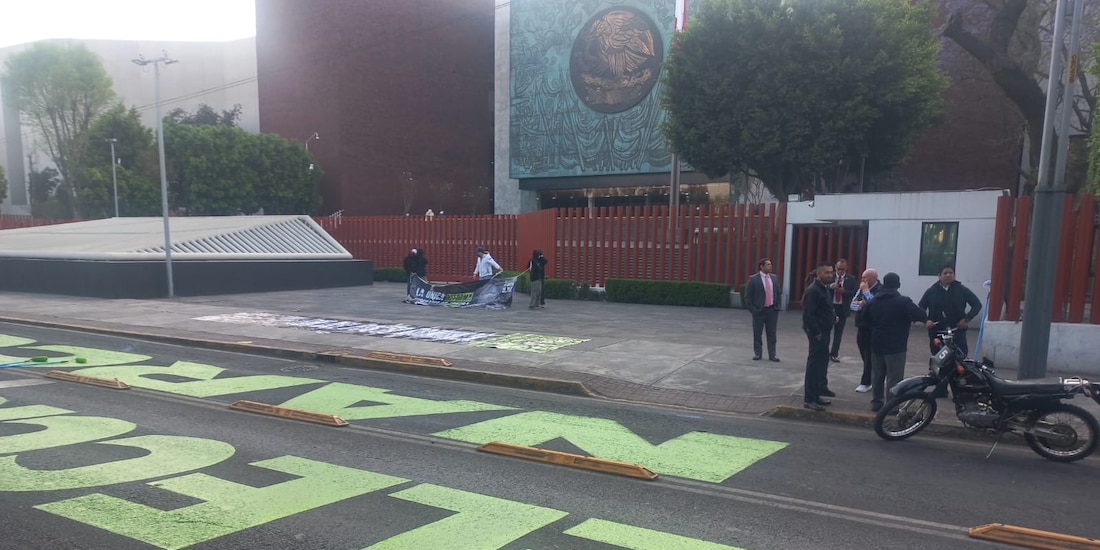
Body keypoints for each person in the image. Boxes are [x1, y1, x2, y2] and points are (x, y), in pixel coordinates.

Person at [863, 272, 928, 412]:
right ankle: (892, 406)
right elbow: (921, 314)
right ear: (898, 285)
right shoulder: (903, 302)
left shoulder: (872, 301)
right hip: (896, 345)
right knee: (894, 377)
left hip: (876, 343)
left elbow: (864, 320)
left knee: (877, 375)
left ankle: (876, 403)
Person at [917, 265, 983, 356]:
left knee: (960, 356)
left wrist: (966, 319)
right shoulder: (931, 291)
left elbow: (977, 305)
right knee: (938, 357)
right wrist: (925, 321)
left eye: (951, 273)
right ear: (939, 276)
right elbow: (920, 308)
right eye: (945, 273)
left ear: (954, 275)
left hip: (957, 331)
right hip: (937, 332)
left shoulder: (962, 290)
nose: (948, 275)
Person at [802, 263, 836, 411]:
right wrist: (817, 332)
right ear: (819, 274)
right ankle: (809, 399)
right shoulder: (813, 290)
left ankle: (816, 396)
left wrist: (832, 317)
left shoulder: (824, 288)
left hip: (825, 331)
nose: (830, 275)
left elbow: (825, 308)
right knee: (814, 366)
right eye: (826, 272)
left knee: (821, 365)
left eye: (831, 272)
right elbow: (808, 315)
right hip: (817, 333)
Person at [849, 268, 882, 393]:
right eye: (862, 277)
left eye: (865, 277)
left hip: (872, 327)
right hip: (861, 325)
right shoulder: (861, 289)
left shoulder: (879, 289)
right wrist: (861, 304)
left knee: (869, 355)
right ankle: (875, 375)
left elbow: (874, 305)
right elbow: (852, 305)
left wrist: (866, 293)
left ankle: (866, 382)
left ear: (874, 278)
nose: (862, 280)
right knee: (864, 353)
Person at [744, 258, 781, 362]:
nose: (770, 266)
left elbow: (778, 292)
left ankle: (772, 355)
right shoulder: (753, 279)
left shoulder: (774, 278)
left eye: (770, 264)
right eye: (768, 264)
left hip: (772, 310)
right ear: (761, 266)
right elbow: (748, 296)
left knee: (772, 333)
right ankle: (758, 353)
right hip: (759, 310)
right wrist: (753, 310)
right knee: (757, 333)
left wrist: (777, 306)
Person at [828, 259, 857, 362]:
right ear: (835, 267)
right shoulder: (830, 276)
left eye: (842, 269)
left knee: (838, 333)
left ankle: (834, 353)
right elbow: (821, 287)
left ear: (846, 269)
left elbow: (854, 292)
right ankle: (824, 352)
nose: (840, 271)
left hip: (842, 308)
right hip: (830, 307)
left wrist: (844, 291)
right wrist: (830, 286)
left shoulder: (851, 279)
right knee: (826, 331)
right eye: (838, 269)